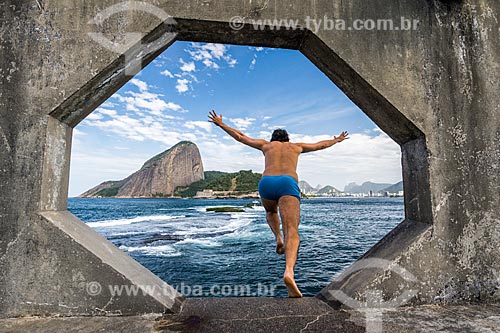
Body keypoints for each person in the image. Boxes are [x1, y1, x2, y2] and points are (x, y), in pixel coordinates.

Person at [208, 110, 349, 297]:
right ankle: (289, 272)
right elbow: (319, 145)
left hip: (266, 183)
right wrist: (337, 140)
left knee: (271, 212)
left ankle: (277, 237)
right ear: (287, 139)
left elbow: (240, 137)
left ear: (273, 138)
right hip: (287, 183)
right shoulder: (296, 147)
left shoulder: (266, 146)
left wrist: (221, 124)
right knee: (293, 231)